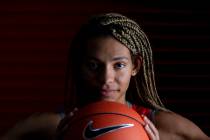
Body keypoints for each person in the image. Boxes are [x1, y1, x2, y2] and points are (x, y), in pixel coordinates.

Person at [1, 13, 209, 140]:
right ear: (80, 65)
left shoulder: (164, 127)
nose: (106, 78)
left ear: (135, 66)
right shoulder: (49, 127)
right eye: (93, 65)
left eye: (119, 65)